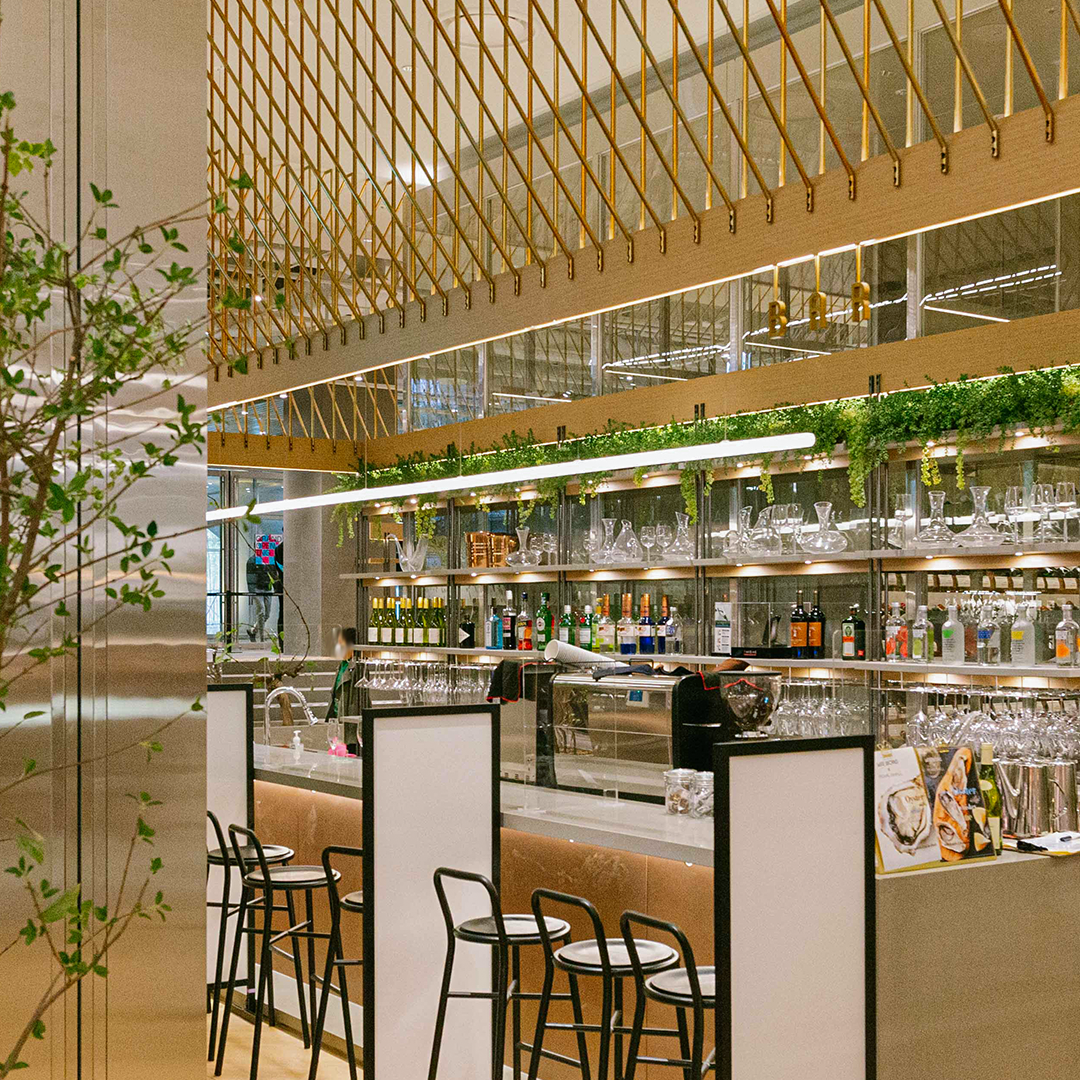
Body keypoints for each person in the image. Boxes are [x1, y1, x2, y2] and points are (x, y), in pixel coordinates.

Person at [326, 627, 359, 721]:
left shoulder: (357, 667)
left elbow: (356, 703)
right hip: (336, 716)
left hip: (348, 718)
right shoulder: (342, 664)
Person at [245, 552, 272, 642]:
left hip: (267, 588)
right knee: (261, 611)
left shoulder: (268, 559)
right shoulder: (252, 560)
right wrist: (252, 591)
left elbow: (272, 572)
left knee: (267, 614)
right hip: (257, 589)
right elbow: (250, 576)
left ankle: (253, 630)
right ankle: (262, 638)